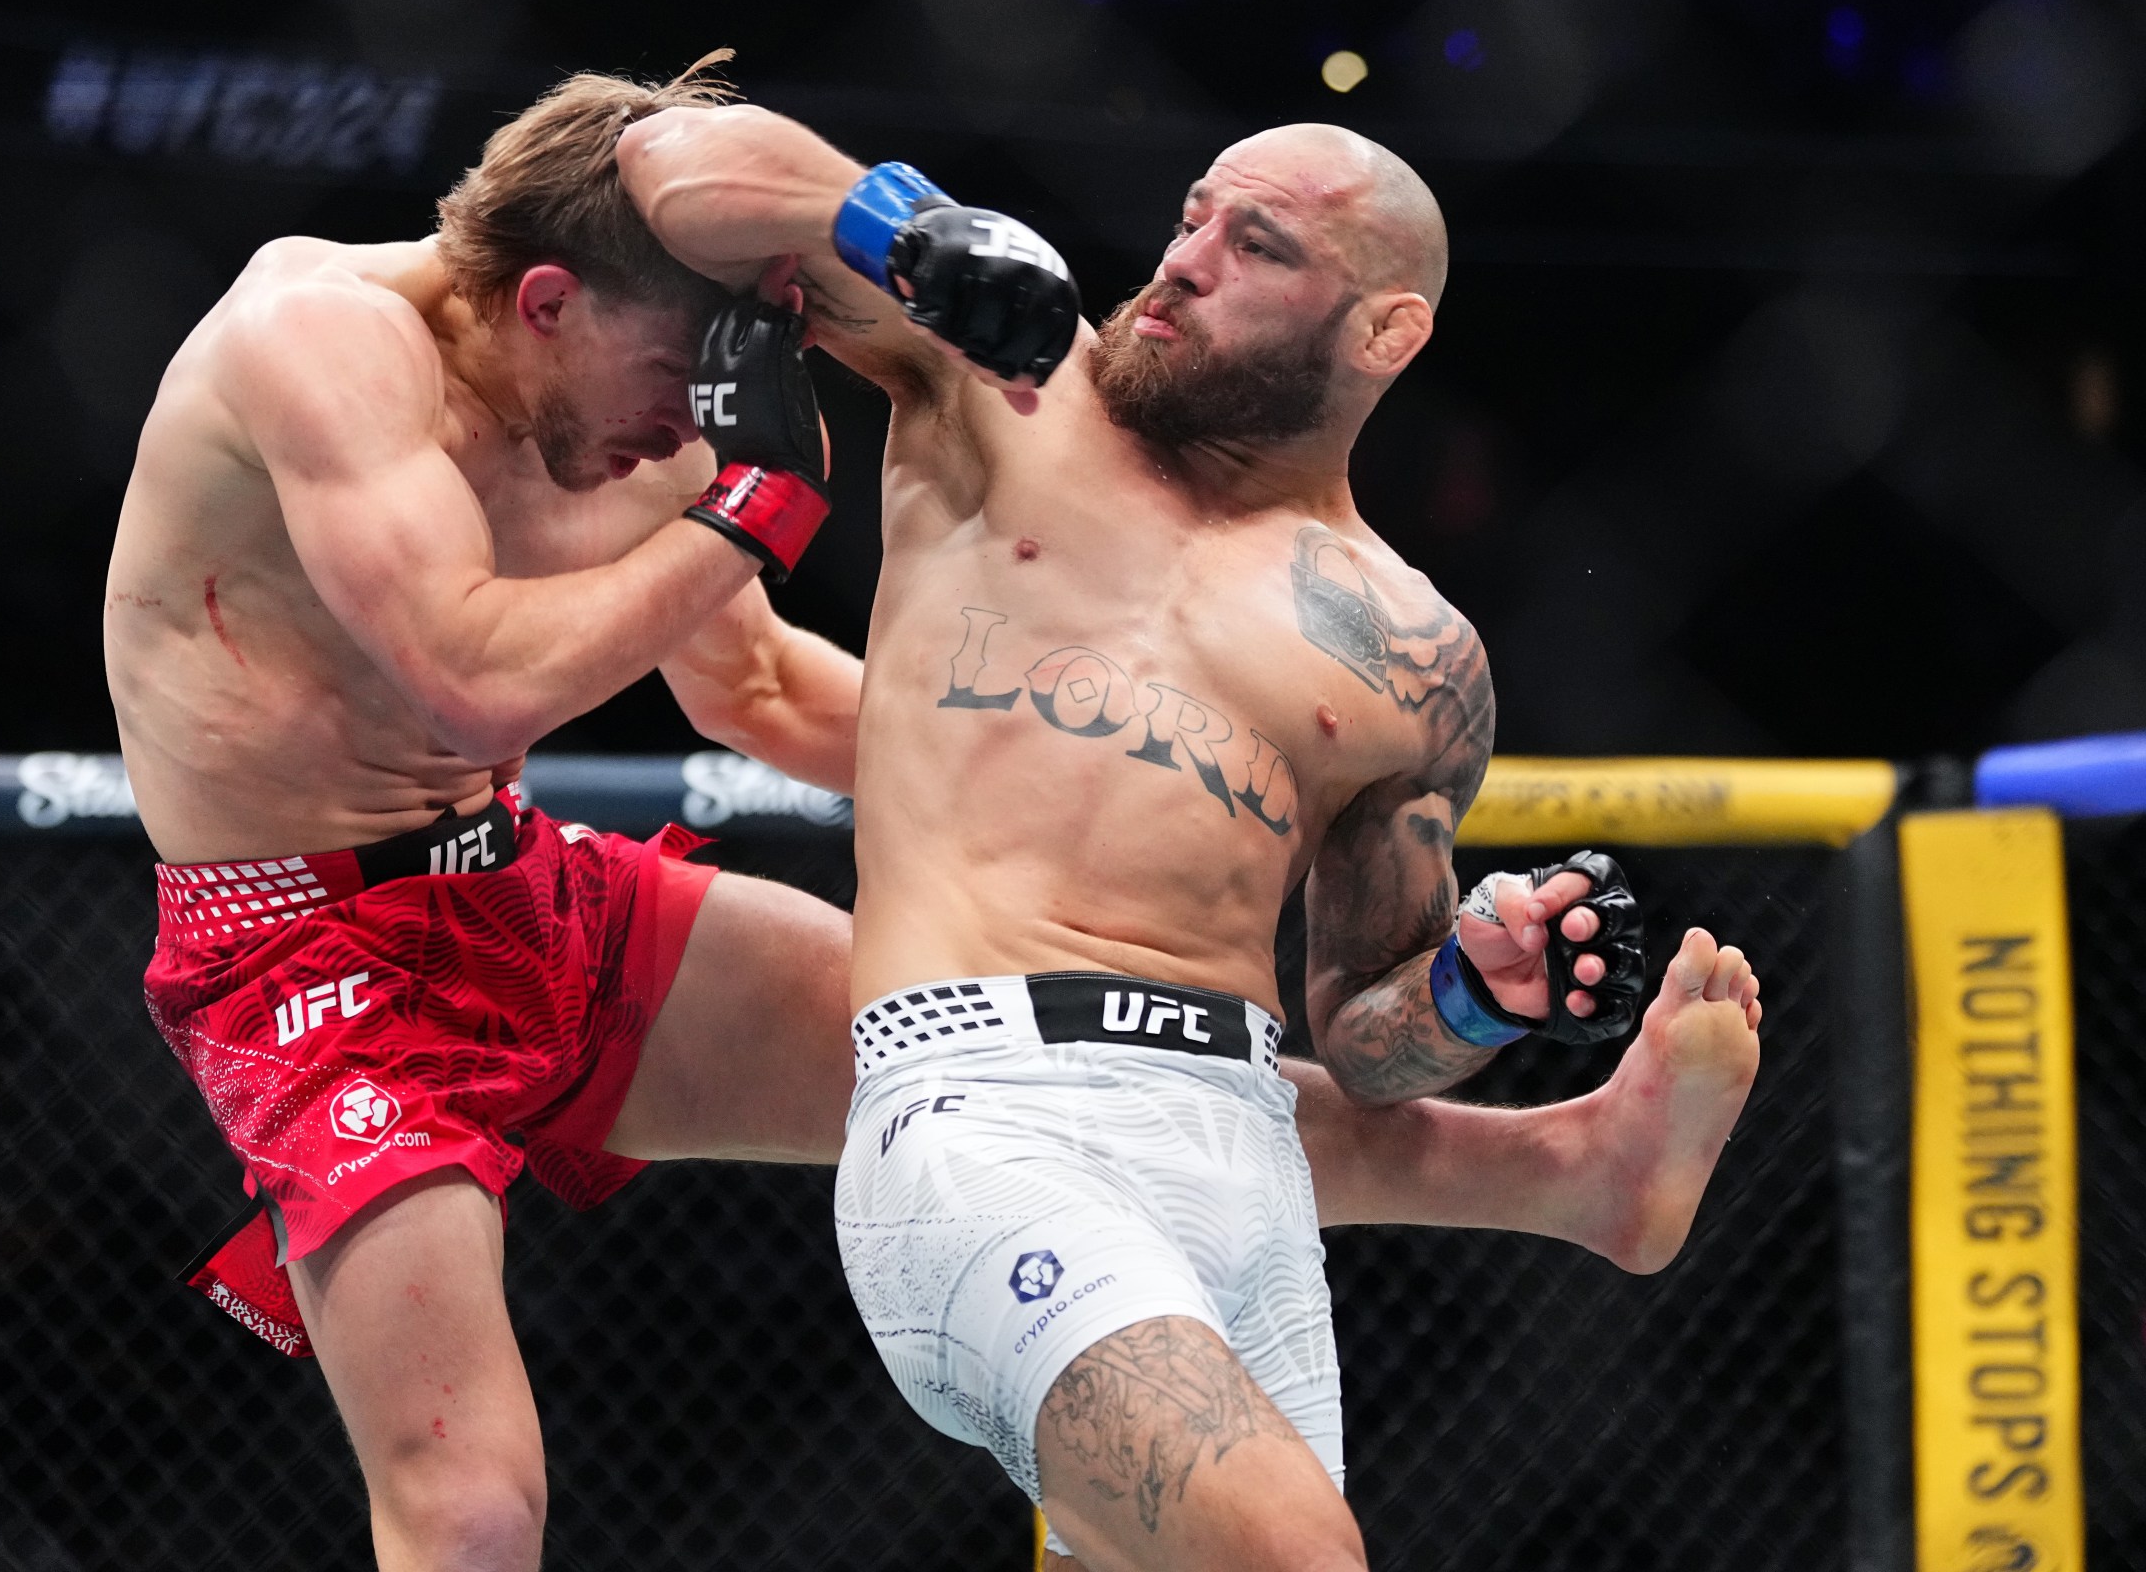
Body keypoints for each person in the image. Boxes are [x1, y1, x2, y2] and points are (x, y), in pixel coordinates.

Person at [619, 104, 1764, 1572]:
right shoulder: (1009, 376)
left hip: (1249, 1162)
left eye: (1257, 244)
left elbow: (1368, 1045)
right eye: (1191, 216)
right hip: (986, 1115)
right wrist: (899, 226)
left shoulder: (1414, 650)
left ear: (1386, 332)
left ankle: (1580, 1169)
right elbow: (667, 164)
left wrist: (1479, 990)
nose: (1185, 258)